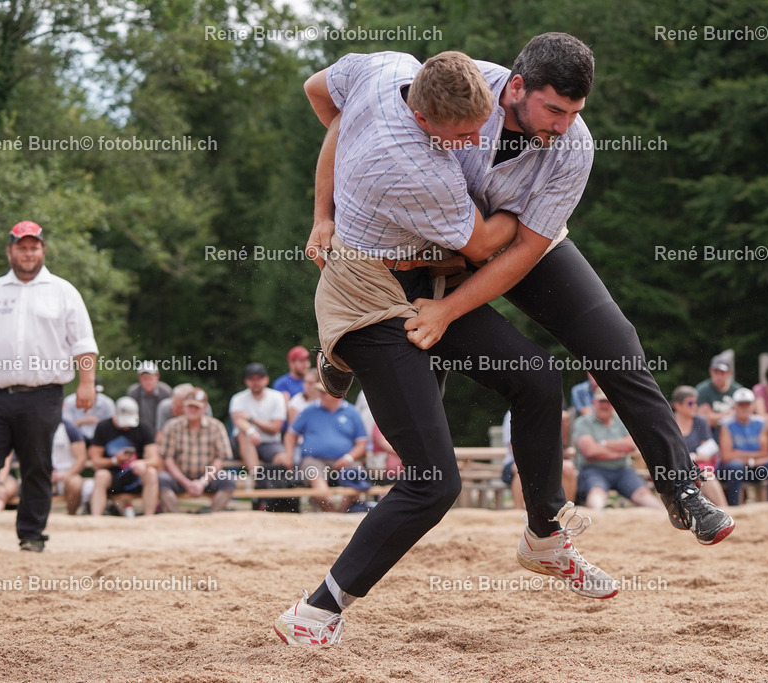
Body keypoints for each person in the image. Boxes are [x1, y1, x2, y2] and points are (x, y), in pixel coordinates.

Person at [309, 34, 733, 541]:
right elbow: (349, 119)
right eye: (554, 109)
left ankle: (680, 489)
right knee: (421, 367)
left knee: (616, 345)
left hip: (522, 243)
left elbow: (527, 250)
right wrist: (324, 214)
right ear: (515, 87)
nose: (565, 124)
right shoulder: (461, 94)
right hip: (441, 240)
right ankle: (345, 362)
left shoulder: (574, 145)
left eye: (575, 112)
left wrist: (449, 309)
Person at [275, 47, 618, 647]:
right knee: (434, 481)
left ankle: (544, 538)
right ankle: (314, 611)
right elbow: (487, 245)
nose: (473, 151)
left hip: (424, 284)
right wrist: (533, 214)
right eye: (462, 138)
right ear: (424, 120)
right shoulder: (410, 164)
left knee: (537, 378)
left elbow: (321, 95)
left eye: (477, 131)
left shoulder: (387, 69)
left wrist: (322, 210)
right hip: (370, 299)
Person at [0, 220, 98, 552]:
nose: (28, 252)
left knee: (36, 463)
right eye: (22, 246)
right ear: (10, 251)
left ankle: (32, 535)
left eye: (34, 246)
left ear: (43, 250)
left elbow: (83, 343)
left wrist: (87, 382)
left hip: (42, 395)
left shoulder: (64, 291)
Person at [278, 383, 368, 512]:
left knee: (356, 473)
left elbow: (362, 443)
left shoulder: (352, 412)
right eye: (320, 391)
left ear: (337, 394)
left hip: (346, 460)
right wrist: (289, 455)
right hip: (314, 459)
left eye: (324, 392)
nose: (320, 394)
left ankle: (340, 512)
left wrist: (348, 458)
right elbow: (291, 435)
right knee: (313, 472)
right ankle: (332, 511)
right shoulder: (309, 410)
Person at [573, 389, 665, 511]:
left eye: (608, 402)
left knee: (643, 495)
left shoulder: (622, 420)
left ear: (613, 404)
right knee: (596, 494)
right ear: (593, 402)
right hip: (594, 470)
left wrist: (602, 444)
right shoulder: (583, 422)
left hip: (623, 470)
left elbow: (631, 445)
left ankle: (664, 516)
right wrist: (620, 451)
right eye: (601, 402)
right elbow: (589, 451)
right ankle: (598, 521)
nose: (604, 405)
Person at [157, 388, 235, 513]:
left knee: (228, 480)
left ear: (204, 409)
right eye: (190, 406)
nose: (192, 410)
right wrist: (185, 482)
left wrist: (203, 481)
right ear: (184, 407)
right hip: (179, 477)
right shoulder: (171, 426)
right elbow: (168, 459)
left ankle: (211, 514)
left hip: (207, 477)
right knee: (161, 479)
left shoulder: (216, 426)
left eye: (197, 407)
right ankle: (176, 515)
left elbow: (220, 459)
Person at [88, 396, 161, 516]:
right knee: (100, 475)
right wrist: (115, 460)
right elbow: (95, 461)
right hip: (112, 475)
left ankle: (149, 517)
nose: (127, 426)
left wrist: (143, 463)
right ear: (116, 414)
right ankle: (96, 518)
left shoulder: (144, 427)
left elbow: (155, 459)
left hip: (135, 474)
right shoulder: (103, 427)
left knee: (151, 473)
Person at [718, 387, 768, 505]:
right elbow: (726, 457)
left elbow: (765, 452)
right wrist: (753, 457)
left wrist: (740, 454)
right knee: (735, 466)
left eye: (747, 404)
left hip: (754, 466)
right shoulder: (726, 424)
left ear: (753, 406)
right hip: (734, 469)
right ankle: (734, 507)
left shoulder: (760, 423)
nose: (744, 408)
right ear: (735, 406)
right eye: (741, 404)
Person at [229, 362, 287, 489]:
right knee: (244, 436)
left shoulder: (277, 397)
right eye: (252, 379)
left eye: (258, 378)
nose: (255, 382)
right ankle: (258, 480)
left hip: (269, 443)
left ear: (266, 379)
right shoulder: (238, 398)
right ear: (246, 381)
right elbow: (238, 421)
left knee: (284, 460)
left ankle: (279, 494)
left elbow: (275, 428)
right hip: (244, 445)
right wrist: (250, 431)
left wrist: (251, 420)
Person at [671, 386, 727, 507]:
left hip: (696, 466)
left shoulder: (700, 421)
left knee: (705, 473)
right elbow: (669, 453)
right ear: (677, 405)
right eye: (690, 403)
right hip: (675, 467)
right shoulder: (669, 424)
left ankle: (724, 509)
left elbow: (709, 451)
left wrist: (691, 457)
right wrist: (695, 456)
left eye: (696, 402)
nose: (695, 406)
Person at [52, 419, 93, 515]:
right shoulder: (35, 427)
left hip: (66, 475)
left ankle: (71, 515)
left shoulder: (69, 428)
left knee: (76, 483)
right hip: (43, 473)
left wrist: (67, 474)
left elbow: (81, 458)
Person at [696, 354, 742, 428]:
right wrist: (731, 414)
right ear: (711, 371)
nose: (719, 376)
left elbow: (743, 417)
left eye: (722, 372)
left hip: (733, 431)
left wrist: (716, 417)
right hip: (711, 432)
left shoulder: (738, 390)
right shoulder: (702, 390)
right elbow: (705, 419)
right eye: (716, 372)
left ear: (729, 372)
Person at [126, 361, 171, 434]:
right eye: (144, 379)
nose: (148, 382)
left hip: (162, 430)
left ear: (157, 377)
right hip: (139, 431)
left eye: (150, 378)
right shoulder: (133, 392)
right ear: (139, 378)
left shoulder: (166, 392)